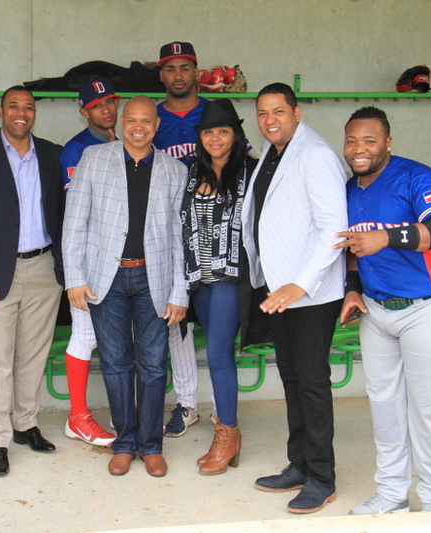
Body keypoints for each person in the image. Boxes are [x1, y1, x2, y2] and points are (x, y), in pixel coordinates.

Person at [336, 106, 431, 514]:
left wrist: (387, 237)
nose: (359, 149)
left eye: (369, 141)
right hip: (376, 311)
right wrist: (353, 291)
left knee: (428, 408)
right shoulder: (349, 188)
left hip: (428, 308)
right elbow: (353, 249)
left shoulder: (417, 177)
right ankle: (392, 493)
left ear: (388, 142)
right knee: (385, 406)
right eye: (352, 141)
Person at [63, 96, 188, 477]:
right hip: (106, 278)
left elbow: (180, 237)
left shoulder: (175, 170)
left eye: (146, 121)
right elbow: (75, 222)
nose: (138, 127)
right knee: (116, 364)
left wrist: (179, 291)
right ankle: (125, 443)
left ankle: (151, 445)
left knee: (153, 365)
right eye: (131, 120)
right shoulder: (94, 159)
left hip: (155, 278)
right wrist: (74, 278)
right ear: (121, 122)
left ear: (156, 125)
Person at [241, 82, 347, 514]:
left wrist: (300, 284)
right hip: (279, 291)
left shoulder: (315, 154)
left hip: (311, 294)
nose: (270, 120)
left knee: (313, 384)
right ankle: (300, 464)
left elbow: (334, 229)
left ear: (297, 113)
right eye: (262, 113)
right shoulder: (274, 152)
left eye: (278, 111)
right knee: (292, 379)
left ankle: (322, 477)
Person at [0, 85, 64, 478]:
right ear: (0, 111)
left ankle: (26, 424)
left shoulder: (52, 154)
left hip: (44, 268)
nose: (22, 113)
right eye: (14, 107)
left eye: (29, 107)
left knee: (33, 356)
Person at [181, 99, 254, 475]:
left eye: (223, 131)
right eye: (208, 132)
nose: (215, 138)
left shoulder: (252, 172)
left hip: (231, 276)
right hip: (200, 279)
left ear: (236, 135)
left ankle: (228, 433)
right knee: (215, 351)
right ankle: (226, 428)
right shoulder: (191, 170)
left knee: (219, 354)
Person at [59, 77, 120, 447]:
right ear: (84, 111)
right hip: (88, 258)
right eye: (98, 105)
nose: (106, 109)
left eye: (110, 101)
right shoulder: (77, 150)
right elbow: (77, 213)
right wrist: (75, 272)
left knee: (122, 336)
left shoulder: (124, 142)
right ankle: (77, 417)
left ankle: (123, 413)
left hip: (121, 259)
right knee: (85, 335)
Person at [154, 41, 206, 436]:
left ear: (196, 72)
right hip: (168, 231)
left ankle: (225, 412)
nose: (178, 75)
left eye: (184, 67)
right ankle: (187, 403)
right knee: (176, 319)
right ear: (161, 75)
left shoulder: (215, 113)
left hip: (213, 232)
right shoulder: (152, 119)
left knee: (220, 321)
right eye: (170, 68)